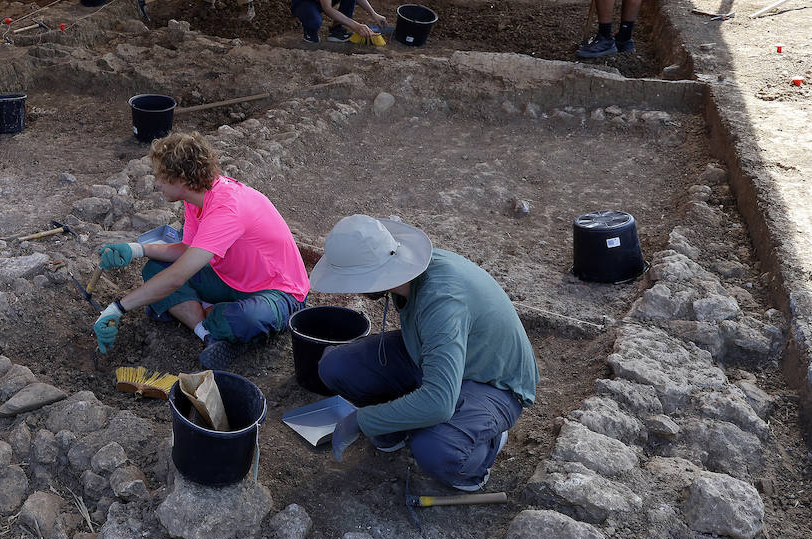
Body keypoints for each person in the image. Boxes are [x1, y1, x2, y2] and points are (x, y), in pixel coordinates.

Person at [312, 215, 538, 491]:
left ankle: (486, 443)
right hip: (432, 354)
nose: (348, 289)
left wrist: (361, 420)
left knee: (436, 449)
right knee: (336, 366)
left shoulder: (441, 302)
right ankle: (400, 425)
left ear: (371, 276)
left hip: (492, 383)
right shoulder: (406, 278)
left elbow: (439, 403)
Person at [92, 131, 309, 371]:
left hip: (280, 290)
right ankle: (208, 334)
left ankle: (205, 312)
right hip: (230, 278)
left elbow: (176, 277)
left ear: (181, 179)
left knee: (244, 320)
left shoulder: (227, 209)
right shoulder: (196, 200)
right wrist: (136, 249)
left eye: (161, 177)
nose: (157, 184)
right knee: (154, 268)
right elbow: (187, 249)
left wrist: (117, 308)